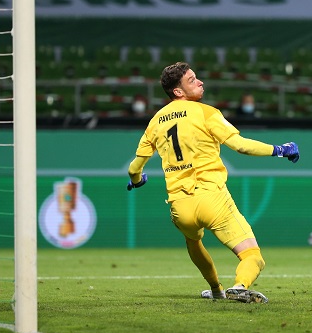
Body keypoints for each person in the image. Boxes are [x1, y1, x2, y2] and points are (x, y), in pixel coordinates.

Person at [126, 62, 300, 304]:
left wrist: (137, 180)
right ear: (178, 91)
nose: (200, 82)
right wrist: (280, 150)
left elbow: (134, 167)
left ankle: (216, 289)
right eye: (192, 80)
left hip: (179, 206)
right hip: (211, 197)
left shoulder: (155, 122)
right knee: (253, 256)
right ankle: (239, 287)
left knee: (194, 241)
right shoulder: (206, 113)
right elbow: (241, 145)